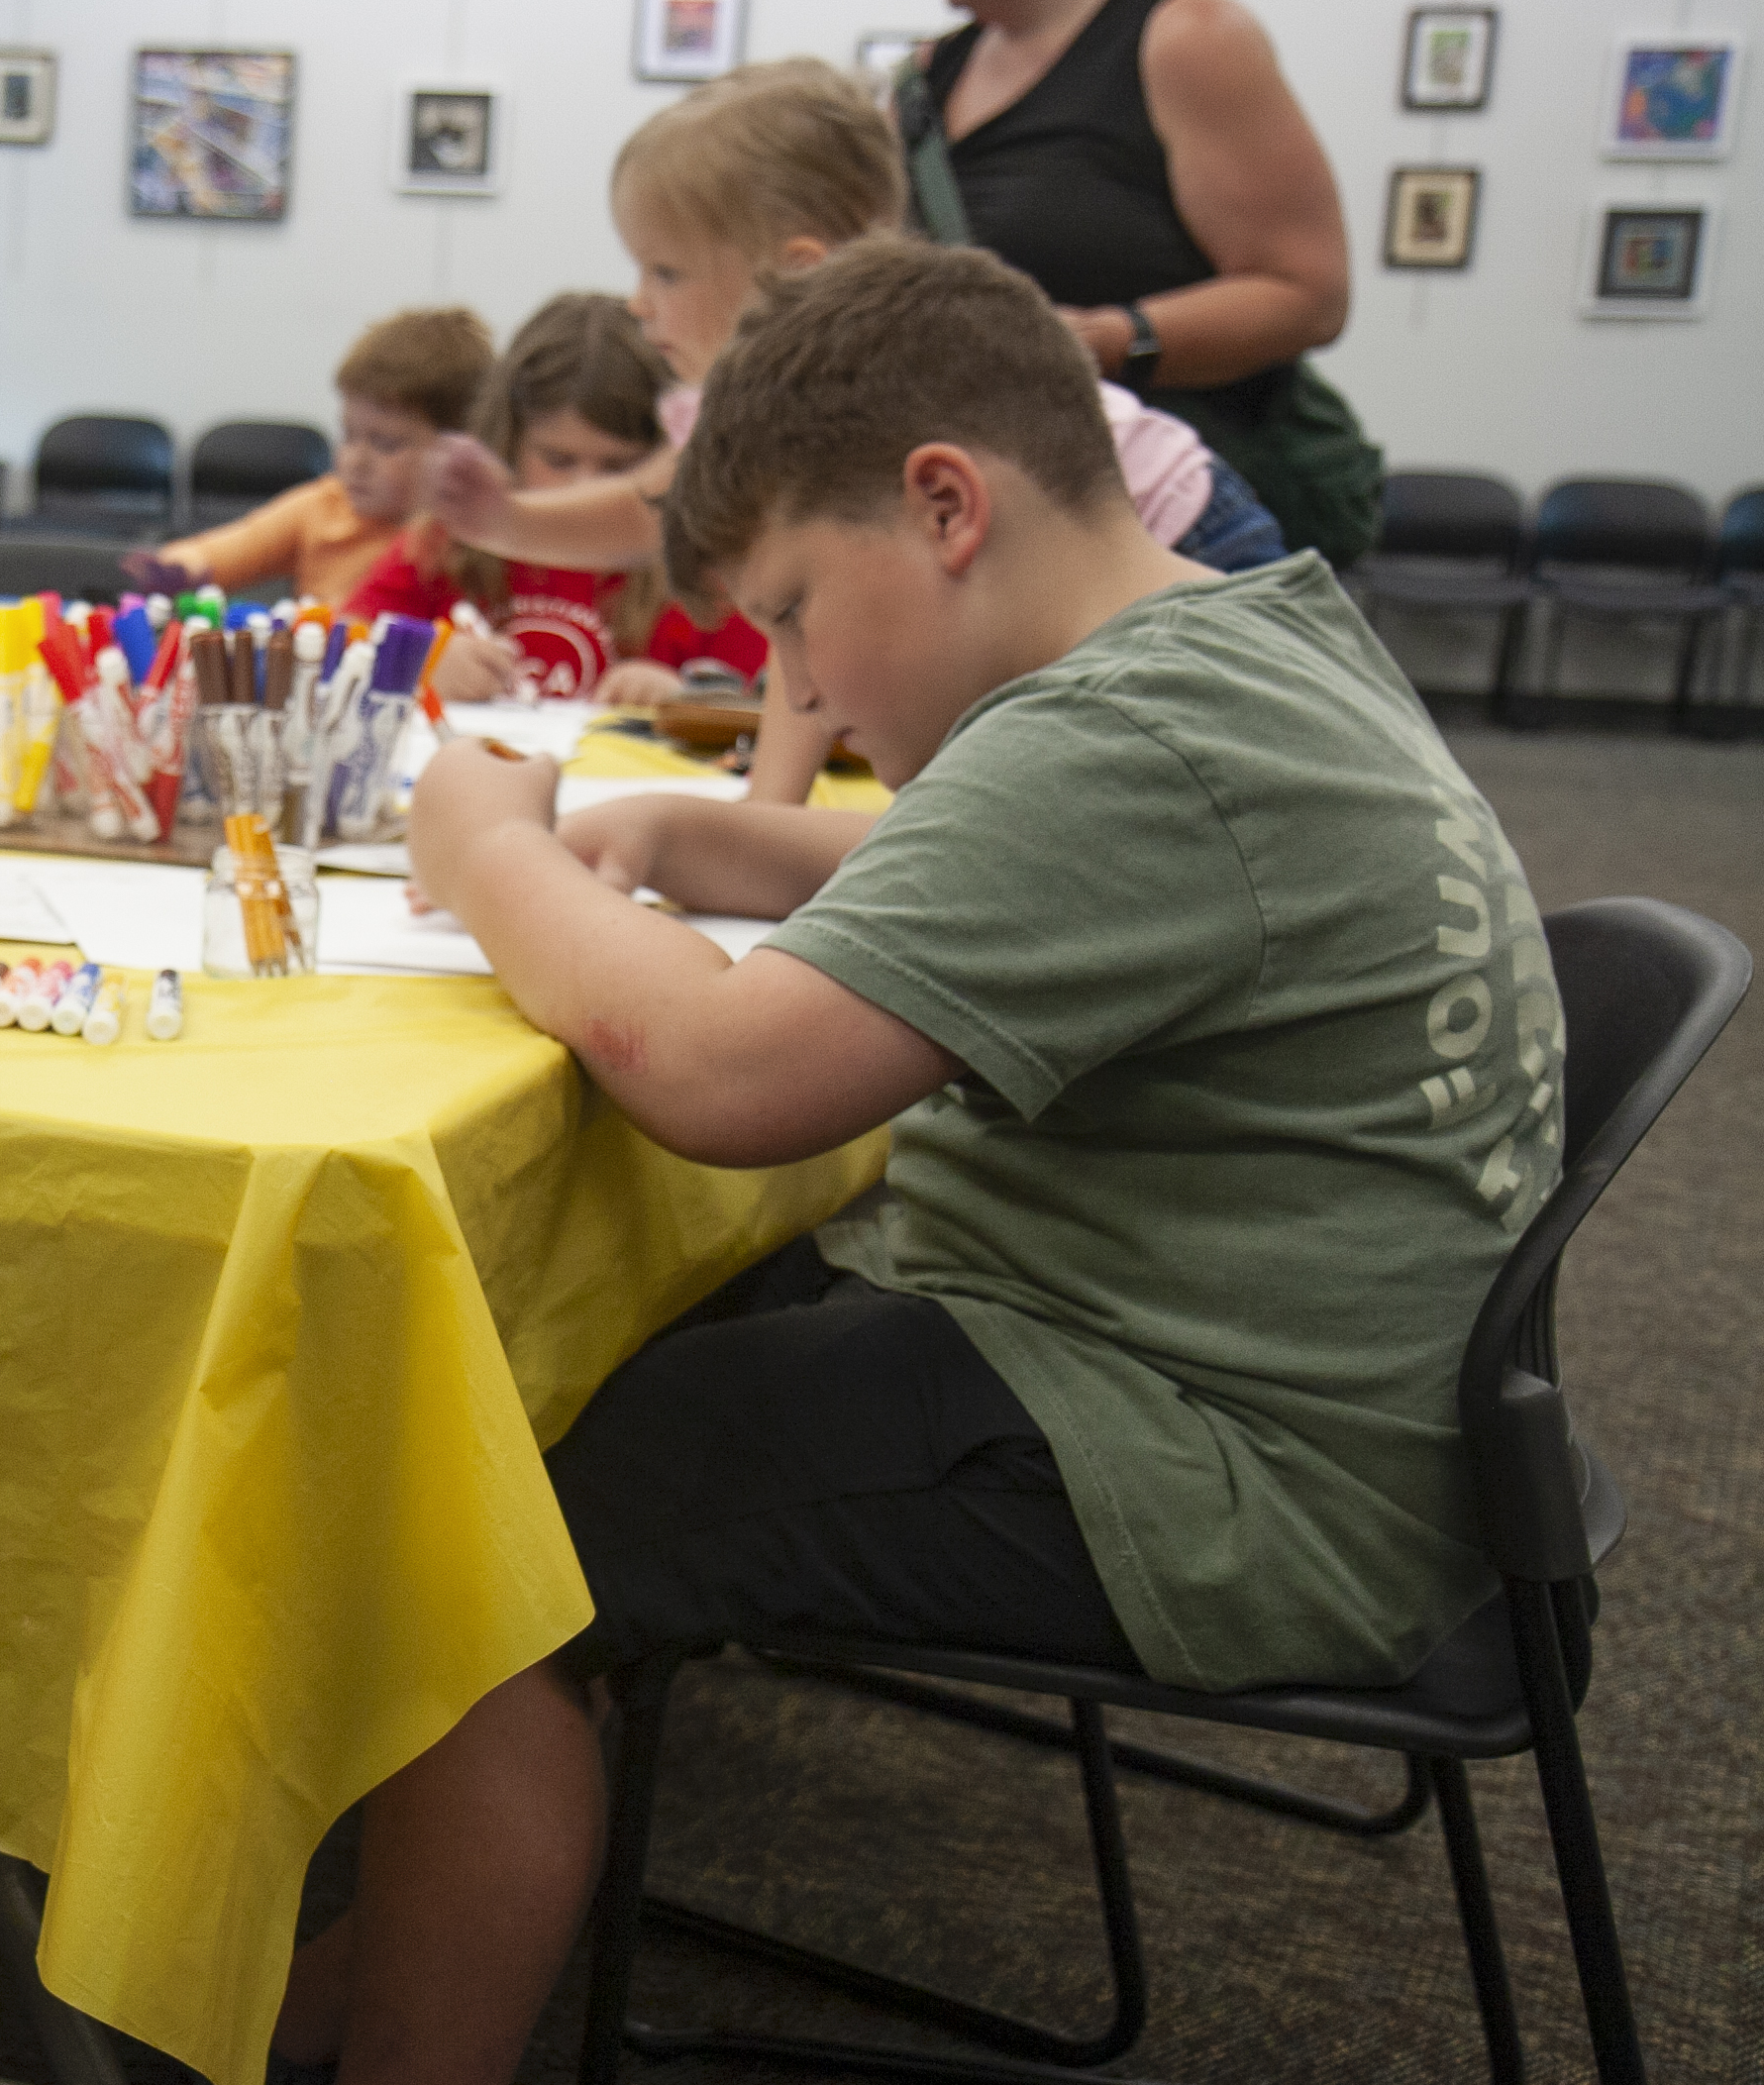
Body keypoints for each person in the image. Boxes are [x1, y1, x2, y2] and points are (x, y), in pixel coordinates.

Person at [280, 237, 1560, 2085]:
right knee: (599, 1369)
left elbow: (715, 1074)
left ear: (944, 504)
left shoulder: (1132, 739)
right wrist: (706, 842)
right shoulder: (1228, 644)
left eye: (795, 610)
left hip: (1234, 1472)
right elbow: (1013, 894)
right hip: (1301, 1397)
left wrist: (496, 851)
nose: (790, 673)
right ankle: (361, 1965)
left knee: (484, 1539)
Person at [431, 57, 1283, 809]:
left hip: (1182, 532)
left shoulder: (877, 377)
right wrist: (504, 523)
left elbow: (698, 547)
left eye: (666, 270)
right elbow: (726, 566)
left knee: (1202, 791)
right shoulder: (758, 405)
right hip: (1080, 575)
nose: (637, 302)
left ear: (796, 274)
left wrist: (766, 819)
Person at [896, 0, 1379, 561]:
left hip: (1187, 531)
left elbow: (1308, 295)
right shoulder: (926, 82)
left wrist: (1106, 341)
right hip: (1023, 525)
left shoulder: (1190, 38)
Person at [345, 294, 692, 704]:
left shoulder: (692, 570)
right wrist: (415, 664)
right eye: (558, 459)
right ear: (508, 443)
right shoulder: (443, 543)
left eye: (619, 469)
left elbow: (756, 700)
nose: (586, 488)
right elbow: (335, 641)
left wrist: (686, 699)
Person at [138, 306, 492, 610]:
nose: (355, 461)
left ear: (460, 450)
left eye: (386, 444)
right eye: (348, 435)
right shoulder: (322, 507)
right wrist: (173, 569)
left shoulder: (479, 541)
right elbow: (218, 554)